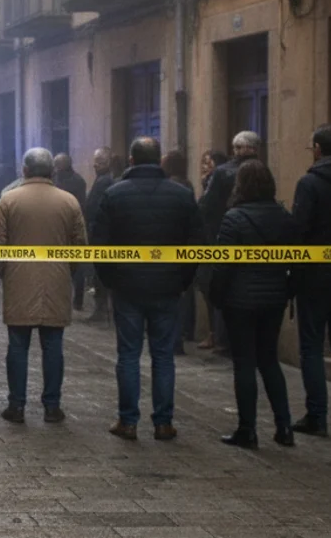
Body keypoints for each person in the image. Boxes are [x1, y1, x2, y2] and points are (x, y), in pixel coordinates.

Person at [91, 137, 203, 442]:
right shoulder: (182, 195)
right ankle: (163, 423)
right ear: (158, 160)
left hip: (127, 287)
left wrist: (110, 280)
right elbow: (197, 244)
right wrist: (182, 279)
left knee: (128, 354)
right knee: (163, 356)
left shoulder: (114, 194)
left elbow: (99, 244)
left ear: (131, 161)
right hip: (168, 287)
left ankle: (128, 421)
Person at [0, 148, 88, 424]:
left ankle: (16, 405)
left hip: (18, 280)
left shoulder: (9, 200)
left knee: (17, 345)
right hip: (57, 281)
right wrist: (67, 271)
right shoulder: (69, 202)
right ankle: (52, 406)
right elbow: (80, 245)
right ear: (53, 172)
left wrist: (5, 272)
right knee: (53, 345)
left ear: (24, 170)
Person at [209, 159, 296, 449]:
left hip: (240, 300)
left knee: (244, 363)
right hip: (274, 299)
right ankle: (284, 426)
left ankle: (247, 429)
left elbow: (223, 264)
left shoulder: (234, 218)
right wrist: (287, 291)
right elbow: (296, 259)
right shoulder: (284, 217)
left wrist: (216, 296)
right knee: (269, 360)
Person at [291, 124, 331, 437]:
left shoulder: (310, 183)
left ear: (318, 150)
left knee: (311, 345)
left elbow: (299, 230)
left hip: (316, 276)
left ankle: (317, 416)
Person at [200, 132, 261, 355]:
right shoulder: (263, 171)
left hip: (222, 236)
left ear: (237, 149)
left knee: (223, 286)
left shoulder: (223, 172)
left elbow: (207, 206)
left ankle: (224, 339)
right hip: (256, 240)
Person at [162, 150, 196, 356]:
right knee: (183, 295)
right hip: (183, 248)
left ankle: (173, 338)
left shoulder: (168, 187)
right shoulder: (188, 186)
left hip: (168, 247)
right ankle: (182, 335)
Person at [196, 150, 230, 351]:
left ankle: (218, 335)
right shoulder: (207, 185)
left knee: (213, 289)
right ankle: (214, 333)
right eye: (203, 163)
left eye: (209, 164)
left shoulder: (217, 186)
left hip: (214, 244)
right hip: (207, 245)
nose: (204, 168)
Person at [83, 147, 115, 322]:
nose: (95, 165)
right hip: (99, 233)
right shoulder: (102, 180)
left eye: (100, 162)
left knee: (100, 274)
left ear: (108, 163)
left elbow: (95, 207)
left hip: (101, 235)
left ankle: (102, 310)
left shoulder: (105, 181)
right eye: (95, 161)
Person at [53, 153, 88, 311]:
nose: (55, 168)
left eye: (57, 165)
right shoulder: (57, 179)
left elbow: (80, 205)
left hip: (69, 226)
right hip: (61, 226)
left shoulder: (75, 181)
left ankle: (77, 299)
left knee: (75, 266)